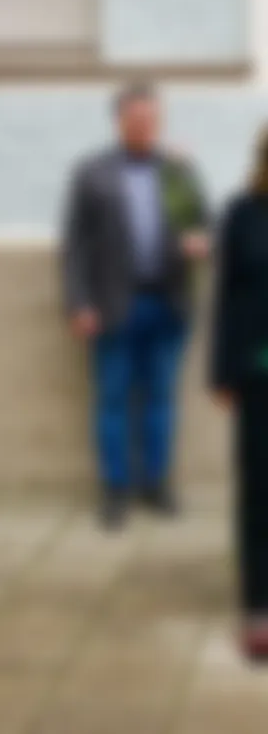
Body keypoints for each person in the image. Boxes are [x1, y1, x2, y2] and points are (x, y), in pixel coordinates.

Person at [62, 82, 209, 528]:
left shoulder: (177, 172)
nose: (146, 127)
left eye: (152, 120)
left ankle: (156, 484)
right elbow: (76, 246)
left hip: (168, 304)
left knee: (161, 398)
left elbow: (201, 225)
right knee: (113, 399)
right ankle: (116, 490)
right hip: (112, 306)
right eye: (137, 119)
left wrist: (200, 240)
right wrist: (80, 303)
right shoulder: (94, 173)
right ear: (122, 121)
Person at [211, 125, 268, 660]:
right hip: (257, 376)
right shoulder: (244, 214)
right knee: (258, 492)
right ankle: (258, 608)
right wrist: (222, 371)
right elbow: (228, 298)